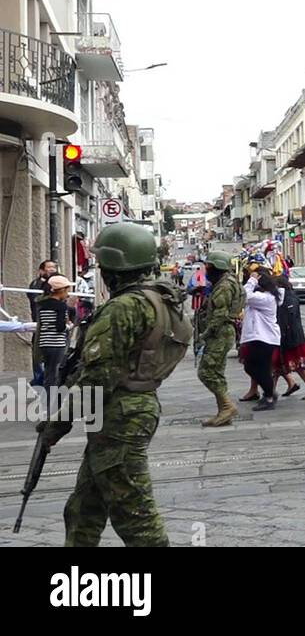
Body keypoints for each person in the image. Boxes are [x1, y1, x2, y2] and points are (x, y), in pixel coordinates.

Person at [44, 223, 191, 547]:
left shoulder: (123, 308)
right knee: (84, 508)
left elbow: (97, 378)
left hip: (120, 416)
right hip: (133, 408)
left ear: (112, 269)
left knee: (136, 517)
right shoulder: (160, 299)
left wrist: (57, 424)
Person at [196, 252, 244, 427]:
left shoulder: (223, 286)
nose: (206, 271)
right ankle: (223, 411)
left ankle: (227, 406)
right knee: (216, 371)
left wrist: (205, 335)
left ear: (217, 268)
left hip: (220, 333)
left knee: (206, 372)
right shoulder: (229, 282)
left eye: (209, 268)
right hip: (224, 331)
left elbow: (219, 315)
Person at [275, 271, 305, 399]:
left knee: (286, 364)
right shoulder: (291, 296)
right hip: (293, 336)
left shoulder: (287, 299)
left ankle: (269, 394)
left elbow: (287, 318)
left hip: (289, 337)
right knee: (290, 365)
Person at [240, 270, 282, 411]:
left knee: (258, 368)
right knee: (253, 366)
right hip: (260, 337)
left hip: (264, 338)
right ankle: (269, 393)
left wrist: (252, 281)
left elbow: (245, 295)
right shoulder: (265, 297)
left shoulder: (266, 298)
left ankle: (270, 396)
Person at [35, 275, 75, 389]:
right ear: (61, 290)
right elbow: (60, 327)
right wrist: (69, 326)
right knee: (56, 372)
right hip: (57, 344)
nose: (68, 294)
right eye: (67, 290)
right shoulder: (61, 306)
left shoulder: (42, 304)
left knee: (48, 371)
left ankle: (46, 393)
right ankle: (51, 398)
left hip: (44, 343)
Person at [28, 259, 57, 381]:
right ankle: (39, 380)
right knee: (38, 355)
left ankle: (50, 379)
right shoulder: (36, 284)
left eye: (54, 267)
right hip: (41, 325)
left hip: (56, 326)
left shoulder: (57, 283)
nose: (52, 269)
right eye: (49, 267)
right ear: (41, 271)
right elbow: (35, 299)